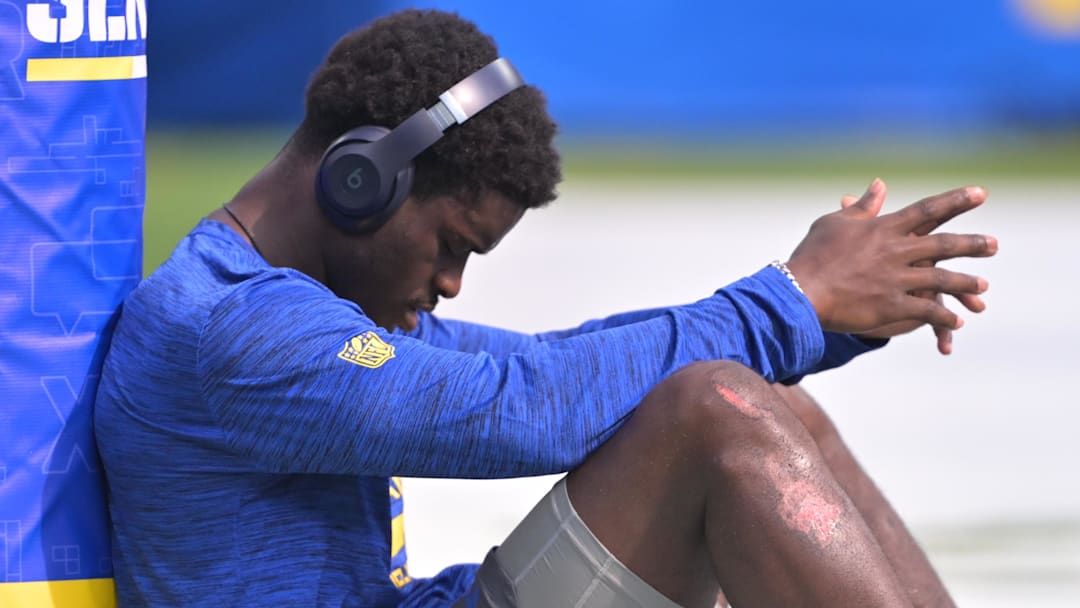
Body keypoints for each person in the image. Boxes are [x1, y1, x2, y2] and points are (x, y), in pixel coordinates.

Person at [94, 9, 997, 608]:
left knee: (767, 405)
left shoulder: (307, 305)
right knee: (715, 414)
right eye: (451, 245)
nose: (450, 286)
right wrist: (789, 302)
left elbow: (553, 361)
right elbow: (516, 407)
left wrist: (828, 317)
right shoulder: (231, 328)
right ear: (361, 179)